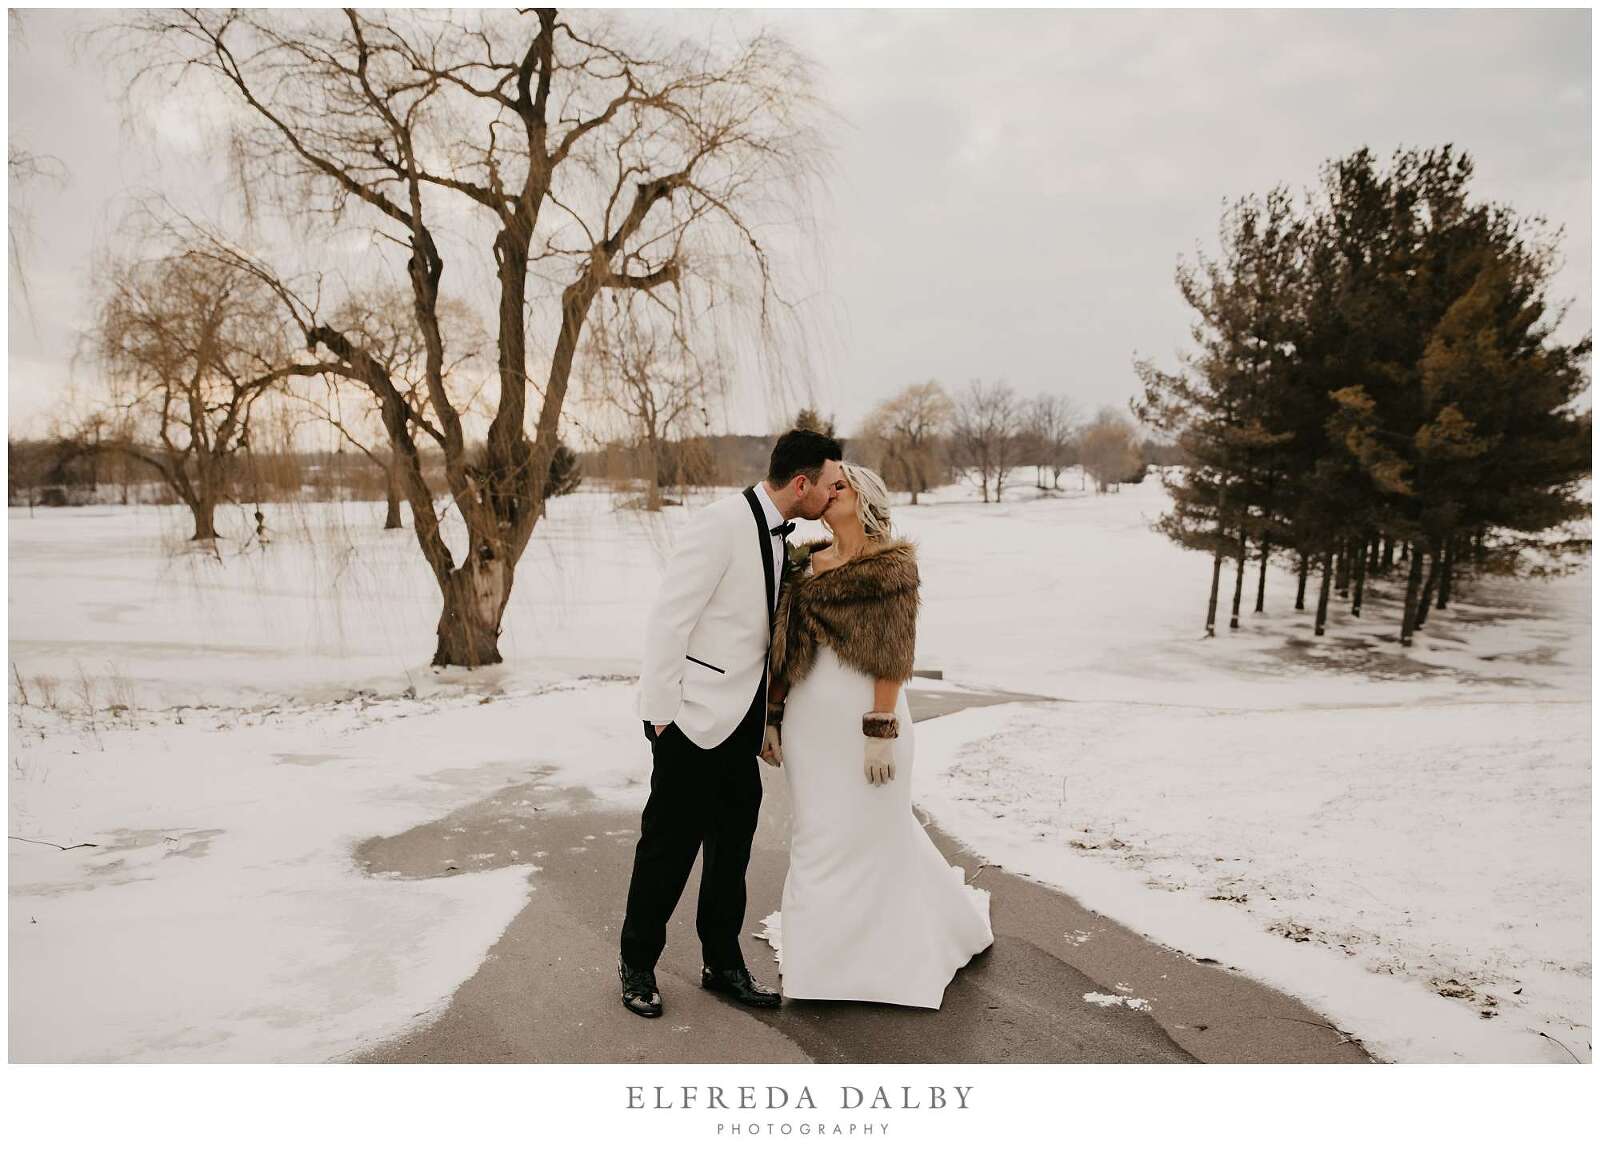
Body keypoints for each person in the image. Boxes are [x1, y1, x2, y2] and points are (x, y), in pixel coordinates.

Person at [618, 428, 844, 1018]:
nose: (832, 495)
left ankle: (722, 964)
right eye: (830, 485)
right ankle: (637, 965)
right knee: (666, 852)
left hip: (740, 727)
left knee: (731, 856)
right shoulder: (719, 525)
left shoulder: (786, 537)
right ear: (802, 483)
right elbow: (669, 621)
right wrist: (661, 718)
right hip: (690, 723)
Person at [764, 463, 993, 1008]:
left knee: (875, 835)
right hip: (808, 729)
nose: (826, 491)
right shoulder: (802, 561)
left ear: (863, 497)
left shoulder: (892, 566)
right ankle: (818, 968)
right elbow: (784, 650)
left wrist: (880, 732)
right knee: (819, 838)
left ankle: (884, 960)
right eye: (824, 484)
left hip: (869, 722)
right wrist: (772, 717)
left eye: (838, 485)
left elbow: (894, 657)